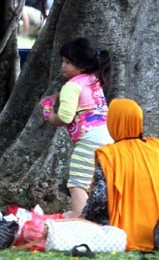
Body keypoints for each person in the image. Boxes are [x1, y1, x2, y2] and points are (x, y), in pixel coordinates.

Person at [82, 98, 159, 251]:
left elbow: (99, 200)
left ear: (115, 122)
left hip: (123, 235)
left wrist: (82, 218)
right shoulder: (157, 148)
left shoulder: (109, 154)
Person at [40, 37, 112, 218]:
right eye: (63, 61)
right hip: (107, 137)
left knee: (77, 182)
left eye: (67, 62)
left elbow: (64, 117)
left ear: (81, 65)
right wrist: (58, 95)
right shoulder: (93, 79)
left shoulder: (71, 86)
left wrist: (48, 112)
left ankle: (79, 216)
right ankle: (95, 215)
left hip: (88, 141)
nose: (63, 66)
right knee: (97, 180)